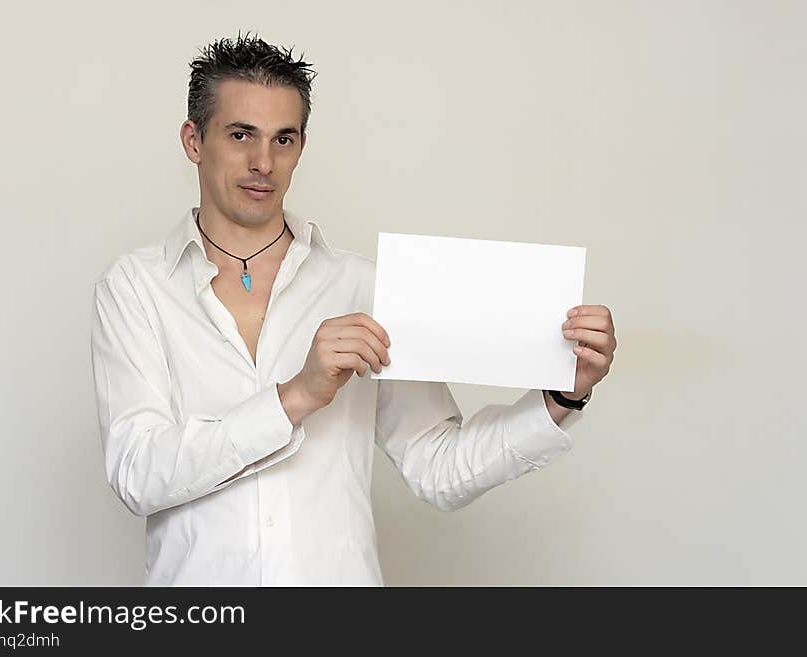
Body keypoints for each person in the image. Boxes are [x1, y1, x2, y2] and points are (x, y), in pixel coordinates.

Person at [90, 33, 617, 586]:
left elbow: (439, 467)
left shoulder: (364, 287)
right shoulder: (134, 289)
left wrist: (563, 394)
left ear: (300, 147)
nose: (263, 162)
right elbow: (138, 473)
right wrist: (296, 396)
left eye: (283, 139)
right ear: (194, 140)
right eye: (241, 134)